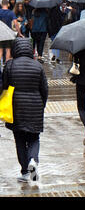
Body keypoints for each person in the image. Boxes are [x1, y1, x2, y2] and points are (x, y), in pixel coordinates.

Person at [2, 38, 48, 182]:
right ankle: (33, 160)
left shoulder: (10, 65)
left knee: (20, 139)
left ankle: (24, 172)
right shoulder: (38, 66)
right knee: (34, 137)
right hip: (35, 106)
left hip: (16, 107)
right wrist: (42, 105)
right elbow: (44, 89)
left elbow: (4, 87)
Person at [0, 0, 23, 64]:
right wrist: (19, 33)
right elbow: (16, 23)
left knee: (0, 49)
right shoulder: (11, 12)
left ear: (1, 4)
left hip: (0, 33)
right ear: (8, 4)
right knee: (8, 49)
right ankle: (6, 64)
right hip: (8, 34)